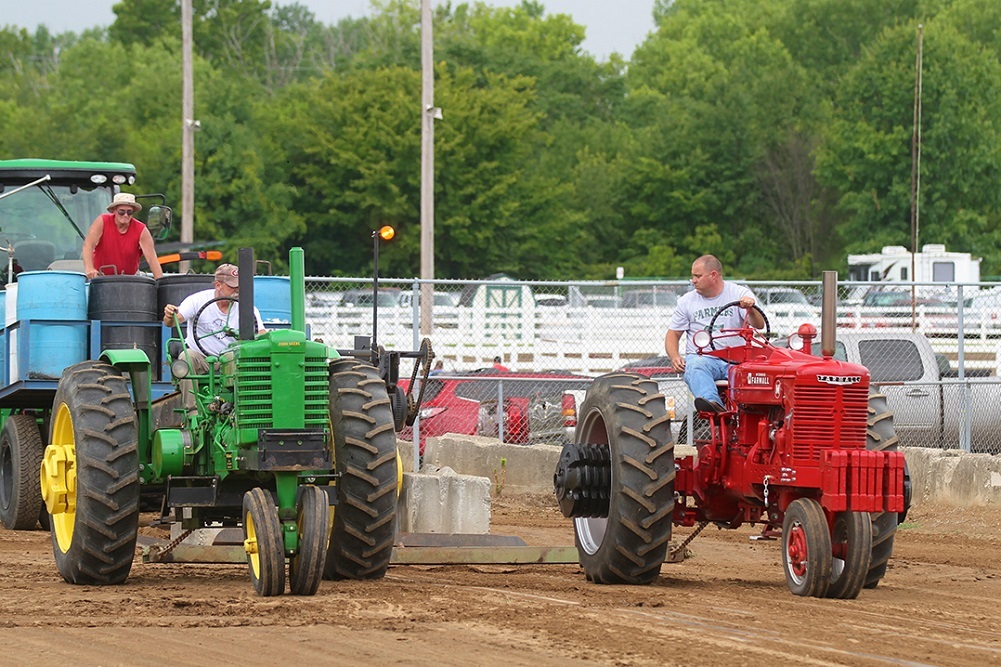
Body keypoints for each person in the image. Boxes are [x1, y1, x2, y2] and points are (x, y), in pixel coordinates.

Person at [664, 255, 765, 413]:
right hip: (704, 358)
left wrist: (750, 310)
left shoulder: (739, 293)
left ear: (713, 275)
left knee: (761, 373)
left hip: (736, 360)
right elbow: (673, 334)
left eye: (697, 276)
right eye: (693, 276)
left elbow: (759, 324)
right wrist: (674, 356)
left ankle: (758, 417)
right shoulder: (687, 301)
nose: (693, 280)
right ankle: (714, 407)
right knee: (695, 365)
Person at [162, 263, 266, 414]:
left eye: (239, 287)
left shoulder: (247, 308)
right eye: (232, 287)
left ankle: (244, 410)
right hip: (202, 357)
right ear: (218, 285)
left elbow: (261, 333)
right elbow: (172, 321)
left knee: (249, 360)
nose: (237, 292)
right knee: (186, 357)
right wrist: (169, 315)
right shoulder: (197, 300)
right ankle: (192, 412)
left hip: (231, 359)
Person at [82, 192, 163, 280]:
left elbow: (152, 259)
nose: (125, 215)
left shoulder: (141, 230)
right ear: (114, 210)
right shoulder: (102, 222)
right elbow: (88, 245)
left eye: (129, 212)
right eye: (121, 211)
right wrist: (89, 268)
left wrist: (160, 282)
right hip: (100, 279)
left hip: (129, 280)